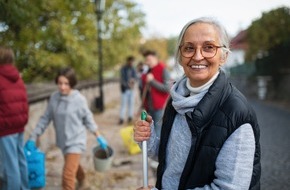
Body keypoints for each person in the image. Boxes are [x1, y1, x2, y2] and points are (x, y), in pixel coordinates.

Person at [134, 17, 261, 190]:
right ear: (180, 56)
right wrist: (147, 139)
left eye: (209, 47)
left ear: (223, 56)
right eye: (189, 48)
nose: (197, 56)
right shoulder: (177, 99)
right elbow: (171, 158)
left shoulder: (236, 114)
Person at [25, 67, 108, 190]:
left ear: (72, 83)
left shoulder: (79, 99)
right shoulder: (54, 98)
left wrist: (98, 136)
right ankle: (83, 180)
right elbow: (45, 119)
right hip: (63, 141)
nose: (62, 87)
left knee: (67, 176)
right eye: (60, 83)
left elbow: (88, 119)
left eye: (66, 84)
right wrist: (33, 136)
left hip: (76, 141)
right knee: (73, 165)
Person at [0, 46, 30, 190]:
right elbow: (24, 102)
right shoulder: (18, 78)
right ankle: (25, 187)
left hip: (5, 127)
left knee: (10, 166)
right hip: (19, 125)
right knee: (20, 160)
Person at [141, 50, 170, 137]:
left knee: (157, 130)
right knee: (151, 129)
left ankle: (158, 150)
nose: (147, 62)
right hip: (149, 106)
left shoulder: (163, 69)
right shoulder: (149, 70)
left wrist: (152, 81)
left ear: (155, 58)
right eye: (146, 60)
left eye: (149, 59)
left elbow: (167, 88)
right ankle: (152, 149)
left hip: (159, 107)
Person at [119, 56, 138, 125]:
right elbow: (122, 79)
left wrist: (133, 81)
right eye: (131, 61)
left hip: (131, 90)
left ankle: (130, 117)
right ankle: (121, 118)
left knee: (131, 103)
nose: (131, 63)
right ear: (128, 61)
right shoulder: (123, 69)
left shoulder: (133, 69)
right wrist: (127, 85)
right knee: (123, 104)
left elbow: (136, 78)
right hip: (125, 89)